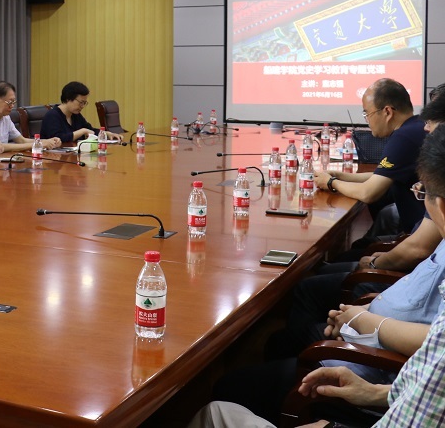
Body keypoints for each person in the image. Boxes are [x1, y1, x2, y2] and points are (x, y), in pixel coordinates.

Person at [190, 127, 445, 428]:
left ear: (440, 206)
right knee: (281, 340)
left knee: (219, 406)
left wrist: (362, 321)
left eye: (422, 192)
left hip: (372, 359)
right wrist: (377, 392)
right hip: (380, 375)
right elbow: (424, 389)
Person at [317, 78, 428, 235]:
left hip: (419, 235)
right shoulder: (416, 126)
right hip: (423, 225)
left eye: (367, 113)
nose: (367, 120)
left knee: (356, 249)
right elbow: (382, 176)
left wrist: (330, 182)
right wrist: (340, 175)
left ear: (387, 112)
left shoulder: (403, 138)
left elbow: (368, 193)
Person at [0, 81, 60, 153]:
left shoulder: (6, 117)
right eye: (9, 102)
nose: (12, 106)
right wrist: (39, 144)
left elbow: (21, 140)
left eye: (13, 102)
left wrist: (48, 141)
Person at [41, 81, 122, 144]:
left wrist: (106, 134)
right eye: (81, 102)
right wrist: (82, 131)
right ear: (68, 99)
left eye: (84, 103)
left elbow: (89, 130)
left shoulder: (75, 115)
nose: (82, 106)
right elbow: (56, 139)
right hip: (52, 158)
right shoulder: (52, 116)